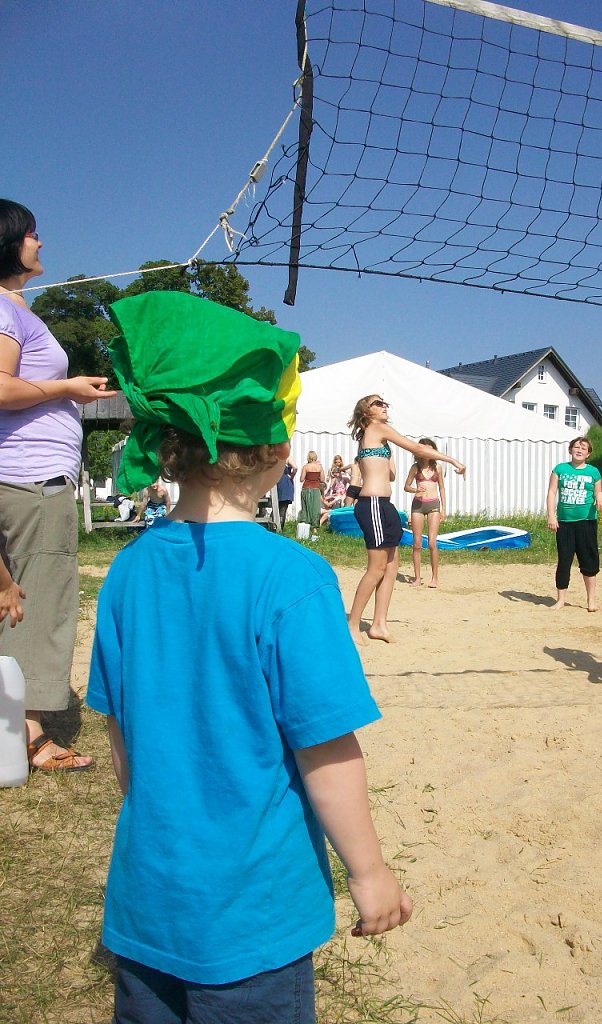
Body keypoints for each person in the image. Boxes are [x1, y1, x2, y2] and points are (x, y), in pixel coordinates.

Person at [86, 290, 412, 1024]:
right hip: (252, 916)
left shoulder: (127, 572)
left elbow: (122, 739)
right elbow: (324, 747)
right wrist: (368, 871)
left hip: (149, 897)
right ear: (276, 449)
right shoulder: (292, 578)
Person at [0, 198, 116, 772]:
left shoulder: (14, 308)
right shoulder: (4, 310)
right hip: (30, 483)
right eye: (31, 233)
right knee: (37, 602)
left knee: (12, 596)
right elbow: (1, 387)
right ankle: (26, 734)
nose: (40, 241)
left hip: (22, 479)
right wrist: (66, 388)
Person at [346, 395, 465, 643]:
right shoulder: (375, 427)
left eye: (385, 403)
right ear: (366, 411)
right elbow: (418, 449)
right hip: (373, 504)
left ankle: (379, 625)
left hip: (385, 505)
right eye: (378, 403)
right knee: (377, 568)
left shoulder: (378, 436)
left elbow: (390, 475)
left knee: (391, 566)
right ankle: (352, 625)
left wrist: (386, 450)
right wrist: (451, 459)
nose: (384, 406)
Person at [546, 436, 602, 611]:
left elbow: (598, 492)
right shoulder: (560, 469)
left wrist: (600, 496)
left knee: (589, 561)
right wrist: (551, 516)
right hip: (565, 523)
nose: (579, 450)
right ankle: (560, 600)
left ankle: (591, 600)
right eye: (577, 447)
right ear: (570, 450)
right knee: (564, 560)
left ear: (588, 453)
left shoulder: (593, 472)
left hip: (587, 522)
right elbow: (551, 492)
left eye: (583, 448)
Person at [403, 439, 446, 588]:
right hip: (418, 506)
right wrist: (416, 490)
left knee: (432, 542)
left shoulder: (438, 467)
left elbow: (441, 488)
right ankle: (417, 578)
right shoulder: (415, 468)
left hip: (434, 505)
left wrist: (444, 509)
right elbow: (406, 486)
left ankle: (435, 578)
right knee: (417, 543)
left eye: (430, 449)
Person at [298, 451, 325, 532]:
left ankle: (304, 528)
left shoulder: (305, 467)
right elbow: (322, 480)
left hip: (306, 488)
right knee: (315, 508)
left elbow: (301, 479)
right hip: (316, 489)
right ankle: (314, 528)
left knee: (305, 508)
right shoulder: (320, 467)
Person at [319, 463, 349, 527]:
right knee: (333, 507)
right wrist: (331, 494)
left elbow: (350, 483)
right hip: (337, 495)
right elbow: (331, 487)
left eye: (336, 474)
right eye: (334, 475)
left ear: (339, 473)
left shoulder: (344, 478)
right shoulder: (335, 479)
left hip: (342, 495)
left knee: (339, 506)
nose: (335, 476)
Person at [276, 455, 298, 529]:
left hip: (278, 481)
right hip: (285, 482)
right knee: (283, 507)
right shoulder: (287, 458)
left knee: (277, 506)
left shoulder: (275, 457)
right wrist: (292, 476)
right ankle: (280, 528)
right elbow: (295, 467)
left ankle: (274, 527)